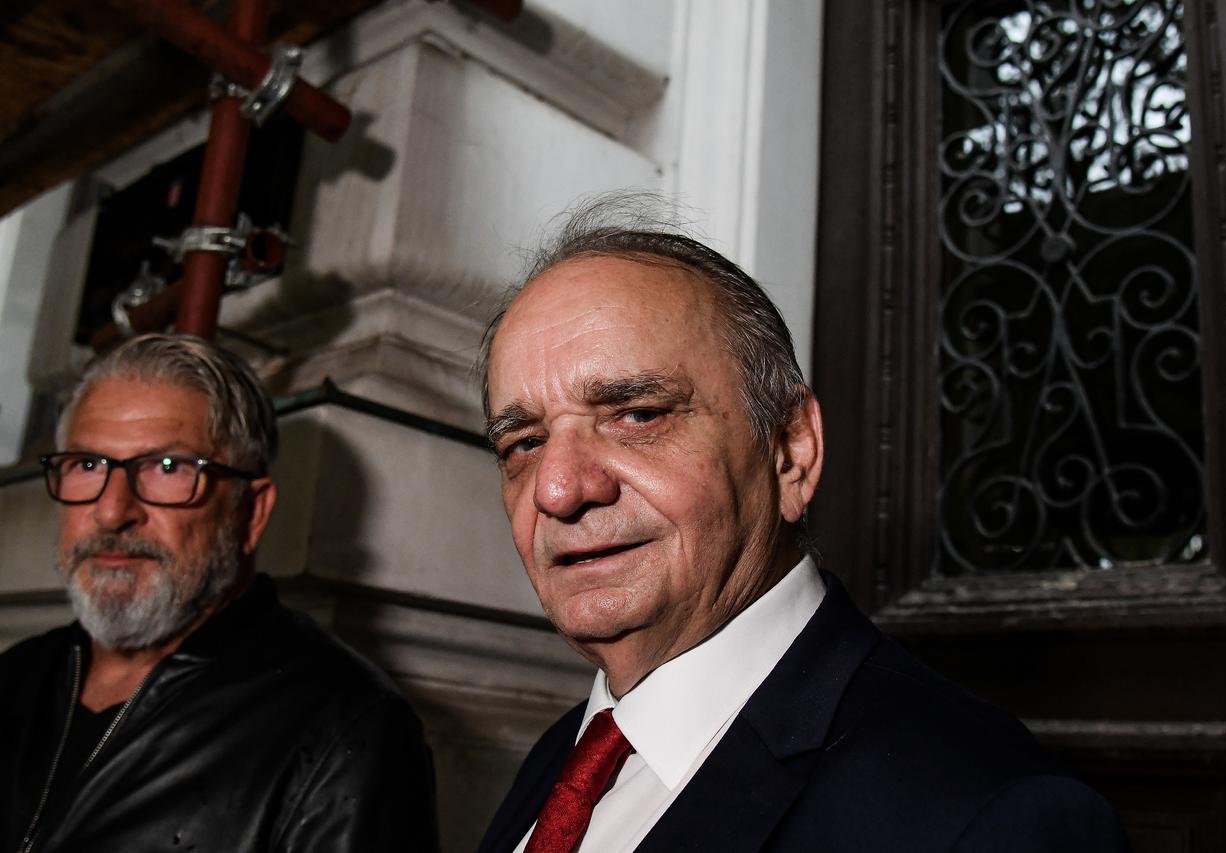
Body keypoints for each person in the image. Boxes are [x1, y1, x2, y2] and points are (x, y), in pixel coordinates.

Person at [476, 198, 1131, 853]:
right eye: (523, 443)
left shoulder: (994, 817)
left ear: (791, 450)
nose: (557, 489)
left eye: (638, 415)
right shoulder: (562, 757)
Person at [0, 333, 438, 853]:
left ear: (250, 512)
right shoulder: (13, 679)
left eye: (168, 468)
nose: (113, 512)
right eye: (87, 465)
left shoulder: (346, 732)